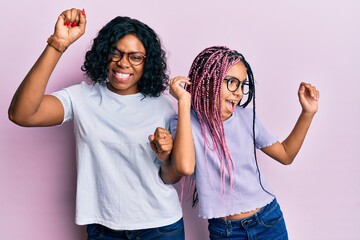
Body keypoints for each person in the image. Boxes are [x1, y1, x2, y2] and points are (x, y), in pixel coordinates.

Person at [8, 8, 189, 240]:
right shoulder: (82, 98)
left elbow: (170, 177)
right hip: (104, 230)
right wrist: (57, 44)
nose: (123, 63)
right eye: (116, 53)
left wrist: (165, 157)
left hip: (161, 227)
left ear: (147, 63)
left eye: (135, 57)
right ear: (104, 54)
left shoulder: (163, 106)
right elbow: (22, 114)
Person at [169, 46, 320, 239]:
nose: (239, 93)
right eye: (232, 82)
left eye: (242, 85)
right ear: (207, 82)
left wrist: (307, 113)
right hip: (225, 232)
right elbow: (184, 167)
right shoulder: (183, 121)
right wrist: (183, 101)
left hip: (268, 220)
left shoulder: (247, 118)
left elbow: (285, 155)